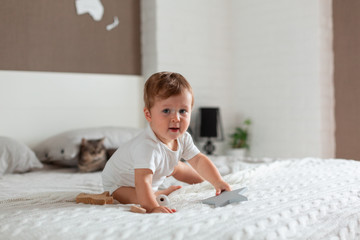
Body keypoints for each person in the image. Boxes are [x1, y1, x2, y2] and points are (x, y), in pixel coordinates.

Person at [102, 71, 231, 213]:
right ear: (148, 115)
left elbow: (199, 160)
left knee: (177, 166)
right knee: (137, 196)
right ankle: (157, 195)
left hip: (152, 173)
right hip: (120, 184)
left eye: (183, 111)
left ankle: (203, 183)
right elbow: (142, 181)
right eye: (166, 111)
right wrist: (153, 207)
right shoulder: (146, 146)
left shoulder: (183, 138)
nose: (176, 118)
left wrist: (217, 181)